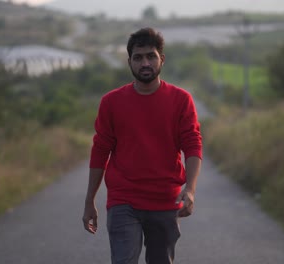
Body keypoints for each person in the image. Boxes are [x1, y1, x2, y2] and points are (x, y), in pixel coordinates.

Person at [82, 27, 202, 264]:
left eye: (151, 56)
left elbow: (192, 145)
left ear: (162, 59)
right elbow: (100, 151)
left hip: (165, 201)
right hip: (123, 200)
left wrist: (190, 189)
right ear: (129, 62)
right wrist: (89, 201)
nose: (144, 63)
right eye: (138, 57)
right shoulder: (111, 103)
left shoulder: (181, 100)